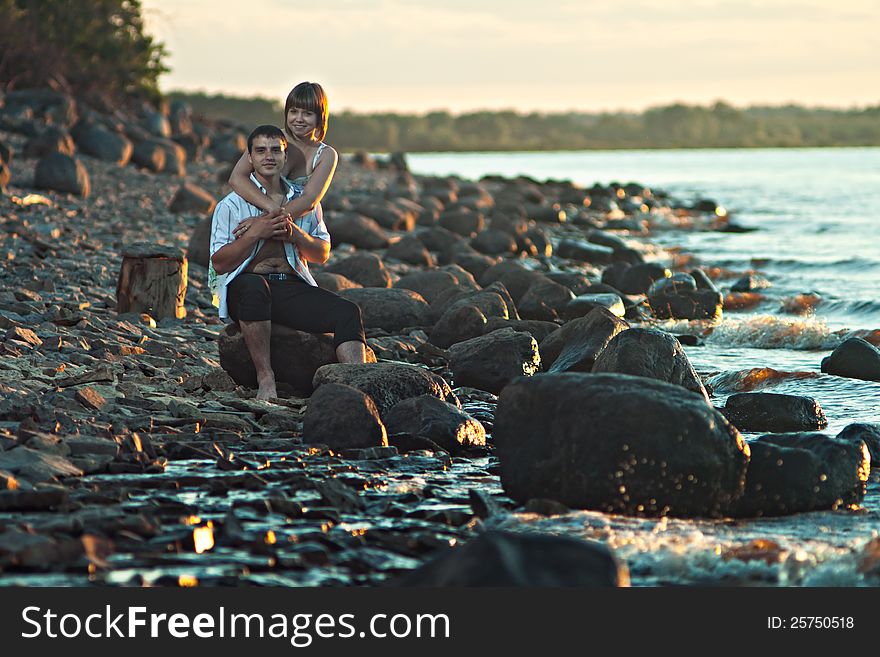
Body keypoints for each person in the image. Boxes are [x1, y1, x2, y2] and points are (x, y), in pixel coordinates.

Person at [209, 124, 367, 401]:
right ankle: (265, 377)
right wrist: (255, 233)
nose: (268, 157)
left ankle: (358, 386)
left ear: (285, 157)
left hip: (290, 287)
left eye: (275, 150)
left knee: (348, 312)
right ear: (250, 157)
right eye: (260, 151)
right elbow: (219, 264)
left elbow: (321, 252)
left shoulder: (304, 202)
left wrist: (296, 235)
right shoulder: (231, 205)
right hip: (246, 290)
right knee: (254, 288)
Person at [227, 81, 336, 237]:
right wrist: (270, 210)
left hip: (295, 222)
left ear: (320, 117)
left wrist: (265, 221)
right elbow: (236, 178)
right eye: (293, 111)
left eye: (307, 113)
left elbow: (310, 200)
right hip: (251, 212)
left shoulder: (326, 154)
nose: (299, 119)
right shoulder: (271, 138)